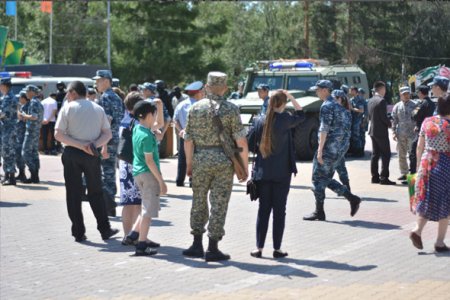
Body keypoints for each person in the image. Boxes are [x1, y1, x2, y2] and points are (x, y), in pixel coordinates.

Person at [182, 71, 248, 261]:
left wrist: (189, 164)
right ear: (225, 88)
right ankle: (212, 247)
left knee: (199, 200)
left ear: (207, 87)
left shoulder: (195, 109)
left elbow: (188, 140)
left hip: (200, 157)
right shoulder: (231, 109)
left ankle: (196, 244)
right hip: (224, 161)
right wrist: (244, 166)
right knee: (219, 202)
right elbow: (241, 141)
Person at [54, 81, 119, 242]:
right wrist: (93, 145)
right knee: (96, 192)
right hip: (92, 153)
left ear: (74, 93)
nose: (67, 96)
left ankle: (78, 232)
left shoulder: (68, 108)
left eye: (69, 93)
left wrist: (79, 145)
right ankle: (105, 229)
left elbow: (58, 134)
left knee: (74, 193)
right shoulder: (97, 108)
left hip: (72, 153)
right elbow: (107, 134)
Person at [247, 90, 305, 259]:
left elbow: (250, 145)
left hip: (263, 173)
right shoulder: (286, 119)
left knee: (263, 211)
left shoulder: (259, 121)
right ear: (282, 104)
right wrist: (292, 97)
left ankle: (258, 248)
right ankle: (277, 249)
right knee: (279, 211)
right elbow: (301, 114)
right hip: (282, 173)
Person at [303, 80, 361, 221]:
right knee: (325, 178)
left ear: (325, 90)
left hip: (328, 149)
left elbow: (324, 129)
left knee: (317, 179)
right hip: (339, 150)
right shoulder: (343, 109)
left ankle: (320, 212)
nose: (316, 92)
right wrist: (341, 151)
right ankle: (351, 198)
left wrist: (320, 150)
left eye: (318, 89)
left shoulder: (327, 106)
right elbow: (347, 132)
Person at [119, 92, 164, 244]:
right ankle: (137, 237)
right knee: (141, 204)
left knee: (128, 202)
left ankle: (130, 235)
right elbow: (159, 130)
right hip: (141, 165)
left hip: (126, 164)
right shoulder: (139, 125)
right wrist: (160, 107)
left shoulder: (126, 120)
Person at [409, 94, 450, 253]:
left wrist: (419, 167)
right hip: (444, 166)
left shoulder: (427, 121)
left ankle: (417, 230)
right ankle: (439, 242)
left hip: (426, 164)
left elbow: (419, 146)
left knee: (426, 199)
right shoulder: (448, 125)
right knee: (445, 203)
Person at [130, 100, 167, 256]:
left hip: (138, 173)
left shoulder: (138, 128)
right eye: (154, 114)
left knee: (146, 206)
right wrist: (161, 181)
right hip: (148, 174)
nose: (155, 118)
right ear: (149, 115)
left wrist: (158, 107)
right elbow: (150, 161)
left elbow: (159, 123)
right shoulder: (147, 136)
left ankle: (133, 235)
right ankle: (142, 244)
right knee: (148, 211)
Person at [94, 70, 125, 217]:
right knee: (110, 173)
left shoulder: (106, 97)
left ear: (106, 81)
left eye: (99, 81)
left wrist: (104, 145)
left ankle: (108, 206)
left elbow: (107, 121)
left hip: (108, 141)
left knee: (107, 173)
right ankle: (110, 205)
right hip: (115, 140)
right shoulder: (116, 97)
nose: (96, 84)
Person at [173, 81, 204, 187]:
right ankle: (192, 180)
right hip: (197, 136)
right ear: (198, 93)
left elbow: (175, 120)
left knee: (182, 157)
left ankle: (179, 180)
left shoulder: (181, 104)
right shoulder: (199, 105)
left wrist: (181, 130)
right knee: (195, 157)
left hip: (184, 135)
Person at [368, 81, 396, 185]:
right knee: (386, 154)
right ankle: (384, 177)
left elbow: (370, 117)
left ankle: (374, 177)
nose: (385, 92)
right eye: (384, 89)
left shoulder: (370, 100)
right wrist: (390, 124)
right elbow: (383, 117)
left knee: (375, 154)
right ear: (382, 89)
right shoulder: (381, 101)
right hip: (380, 131)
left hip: (372, 130)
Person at [392, 86, 417, 182]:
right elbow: (394, 120)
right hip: (401, 134)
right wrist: (394, 132)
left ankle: (413, 173)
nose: (406, 95)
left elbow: (419, 118)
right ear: (400, 95)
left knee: (412, 155)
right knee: (401, 155)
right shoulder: (397, 106)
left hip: (412, 134)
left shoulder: (416, 105)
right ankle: (404, 173)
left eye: (408, 93)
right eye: (404, 94)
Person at [410, 85, 436, 174]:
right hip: (431, 131)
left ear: (421, 93)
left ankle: (414, 173)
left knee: (414, 152)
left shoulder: (422, 104)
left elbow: (414, 115)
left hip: (421, 131)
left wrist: (413, 114)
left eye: (418, 92)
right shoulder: (433, 104)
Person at [21, 85, 44, 184]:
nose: (26, 93)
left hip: (31, 131)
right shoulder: (38, 102)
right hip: (36, 131)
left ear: (32, 92)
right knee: (34, 153)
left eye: (27, 91)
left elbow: (34, 117)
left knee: (25, 153)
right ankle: (35, 176)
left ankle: (33, 173)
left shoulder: (33, 102)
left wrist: (23, 115)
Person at [0, 77, 18, 186]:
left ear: (5, 86)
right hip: (7, 128)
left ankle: (11, 177)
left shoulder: (8, 98)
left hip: (8, 129)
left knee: (8, 152)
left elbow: (3, 114)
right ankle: (8, 175)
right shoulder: (7, 96)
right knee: (7, 152)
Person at [15, 91, 30, 182]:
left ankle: (23, 174)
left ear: (24, 98)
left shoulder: (26, 107)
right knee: (18, 154)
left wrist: (18, 113)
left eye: (20, 98)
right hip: (19, 133)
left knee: (20, 154)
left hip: (23, 134)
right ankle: (21, 173)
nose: (19, 99)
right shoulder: (22, 106)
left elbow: (23, 118)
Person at [349, 86, 366, 157]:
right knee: (355, 136)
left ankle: (359, 152)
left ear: (354, 91)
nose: (349, 91)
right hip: (354, 120)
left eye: (351, 90)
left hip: (358, 120)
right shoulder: (352, 99)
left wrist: (352, 108)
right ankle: (355, 151)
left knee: (357, 136)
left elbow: (361, 110)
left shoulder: (359, 99)